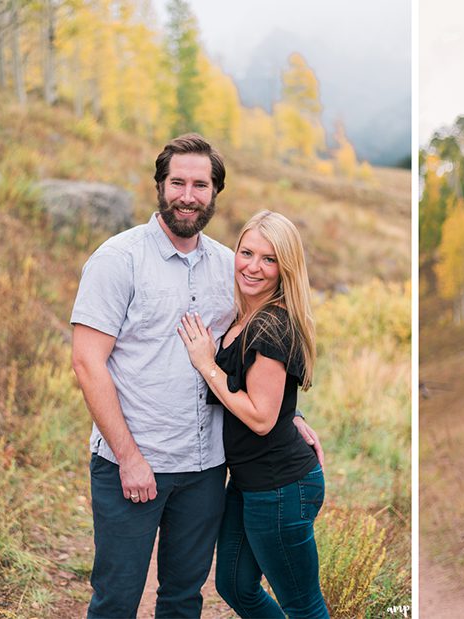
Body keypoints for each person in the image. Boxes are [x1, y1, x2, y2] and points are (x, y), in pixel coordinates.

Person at [70, 134, 323, 618]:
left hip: (206, 471)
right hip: (134, 466)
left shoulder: (230, 267)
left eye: (200, 185)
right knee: (116, 601)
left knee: (184, 600)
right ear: (160, 186)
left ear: (214, 193)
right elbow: (87, 363)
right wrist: (128, 458)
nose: (188, 195)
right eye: (178, 182)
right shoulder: (117, 260)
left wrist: (289, 415)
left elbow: (257, 355)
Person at [178, 210, 328, 618]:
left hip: (281, 487)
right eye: (247, 253)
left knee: (302, 605)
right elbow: (272, 401)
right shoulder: (244, 317)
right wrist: (292, 417)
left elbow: (262, 417)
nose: (253, 267)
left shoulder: (269, 325)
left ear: (285, 268)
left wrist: (206, 363)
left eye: (269, 259)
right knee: (234, 585)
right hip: (250, 483)